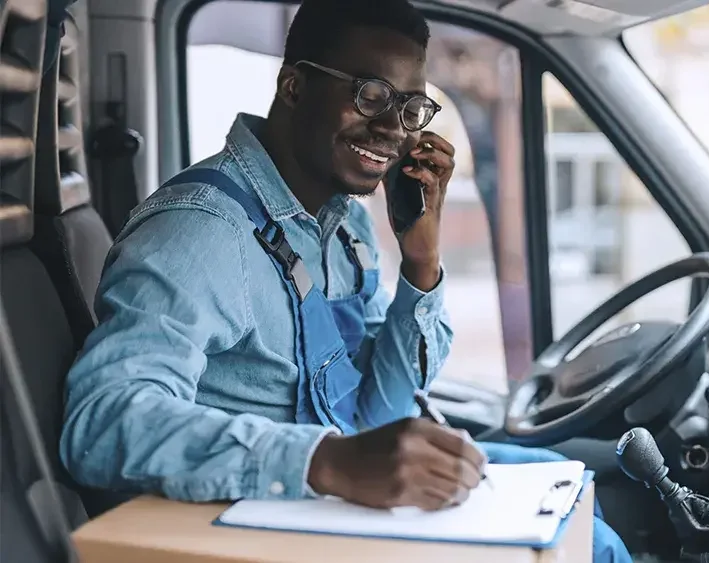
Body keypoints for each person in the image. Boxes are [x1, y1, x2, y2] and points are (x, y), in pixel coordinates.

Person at [59, 1, 631, 561]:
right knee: (594, 546)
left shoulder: (347, 222)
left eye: (410, 108)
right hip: (266, 523)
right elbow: (103, 419)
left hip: (336, 501)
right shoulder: (200, 233)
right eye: (370, 95)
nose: (391, 129)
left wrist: (421, 264)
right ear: (293, 86)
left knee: (571, 487)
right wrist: (327, 462)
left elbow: (382, 409)